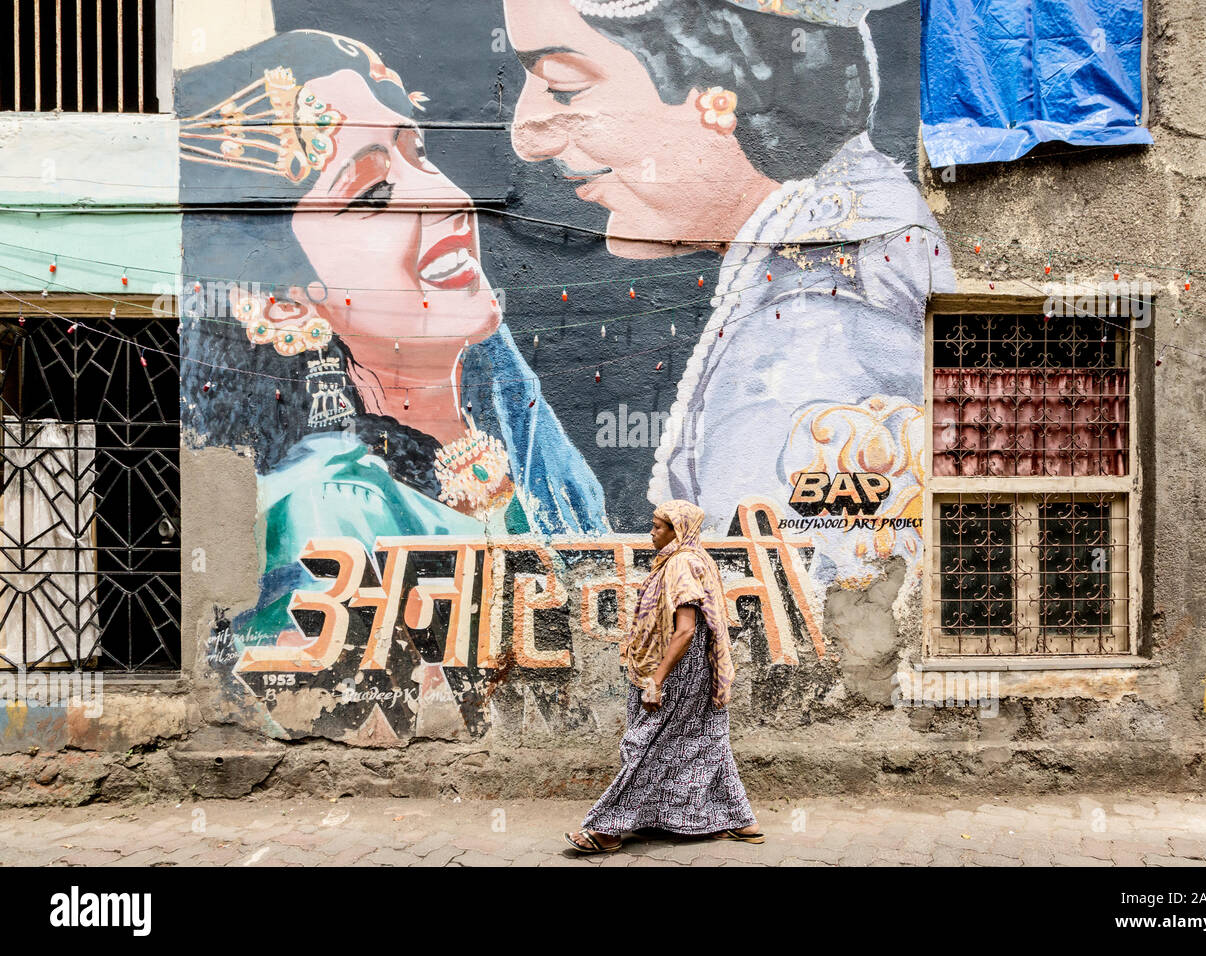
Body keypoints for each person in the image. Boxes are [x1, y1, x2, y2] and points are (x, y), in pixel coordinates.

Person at [177, 30, 610, 643]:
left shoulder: (518, 428)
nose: (446, 198)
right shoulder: (332, 501)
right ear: (282, 301)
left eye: (422, 154)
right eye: (374, 194)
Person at [505, 0, 953, 590]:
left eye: (563, 86)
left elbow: (783, 630)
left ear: (726, 85)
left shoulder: (810, 338)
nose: (523, 137)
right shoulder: (848, 255)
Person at [565, 499, 762, 853]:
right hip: (699, 670)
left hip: (678, 672)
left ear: (678, 530)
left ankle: (607, 829)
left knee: (644, 746)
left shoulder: (682, 564)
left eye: (659, 527)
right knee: (704, 741)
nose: (651, 532)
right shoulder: (696, 558)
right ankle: (739, 820)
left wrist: (657, 680)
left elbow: (685, 630)